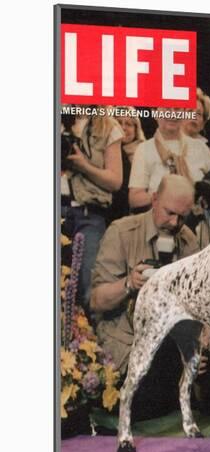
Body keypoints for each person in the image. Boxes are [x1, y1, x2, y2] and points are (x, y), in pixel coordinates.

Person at [90, 175, 199, 420]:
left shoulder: (187, 239)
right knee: (146, 392)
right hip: (127, 342)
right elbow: (97, 300)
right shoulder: (122, 232)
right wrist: (129, 283)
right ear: (154, 199)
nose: (175, 222)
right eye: (170, 213)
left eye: (182, 217)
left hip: (169, 340)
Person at [61, 111, 123, 312]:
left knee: (90, 288)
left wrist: (83, 166)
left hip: (89, 214)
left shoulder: (108, 125)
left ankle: (90, 340)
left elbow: (115, 181)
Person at [128, 107, 210, 210]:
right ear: (155, 113)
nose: (173, 114)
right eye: (167, 109)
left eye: (177, 109)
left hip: (199, 221)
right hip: (160, 222)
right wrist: (163, 196)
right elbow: (134, 199)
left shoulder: (200, 147)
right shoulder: (144, 149)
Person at [107, 109, 146, 222]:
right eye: (118, 122)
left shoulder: (145, 152)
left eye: (128, 124)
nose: (123, 128)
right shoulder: (105, 151)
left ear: (136, 129)